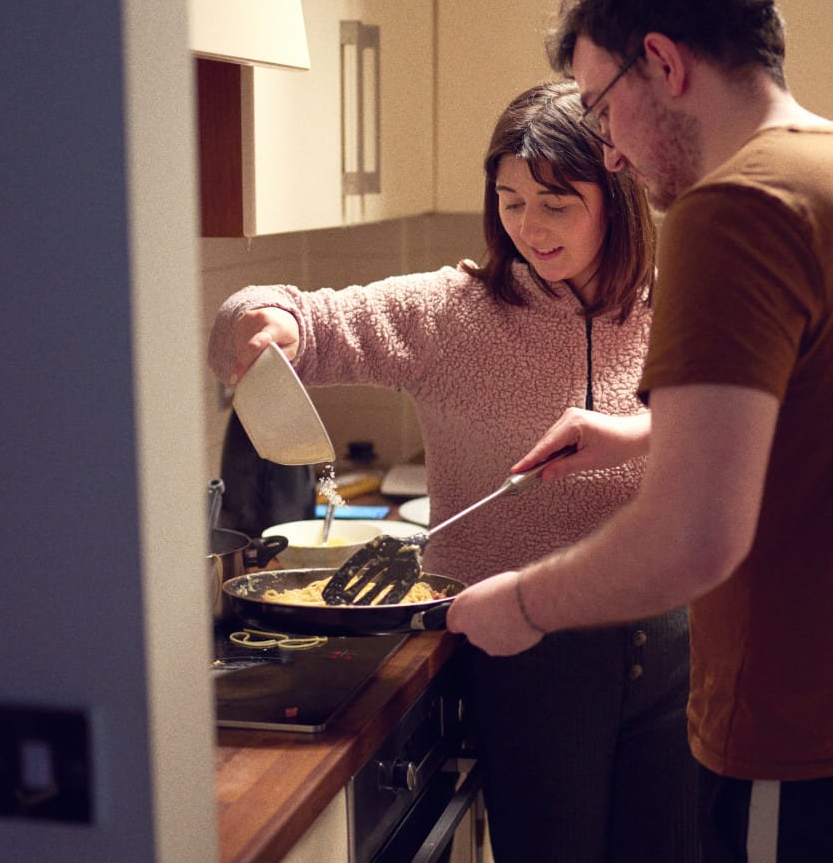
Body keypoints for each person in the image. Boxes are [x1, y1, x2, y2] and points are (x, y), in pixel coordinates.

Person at [446, 0, 833, 863]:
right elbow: (832, 407)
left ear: (661, 62)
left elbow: (690, 540)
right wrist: (640, 433)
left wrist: (519, 606)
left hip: (813, 731)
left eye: (601, 107)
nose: (608, 151)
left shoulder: (734, 209)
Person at [209, 81, 700, 863]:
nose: (528, 227)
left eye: (554, 203)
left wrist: (638, 431)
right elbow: (286, 309)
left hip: (672, 646)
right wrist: (265, 323)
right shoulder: (451, 312)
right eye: (508, 200)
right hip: (526, 658)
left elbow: (745, 427)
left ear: (617, 195)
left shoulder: (676, 307)